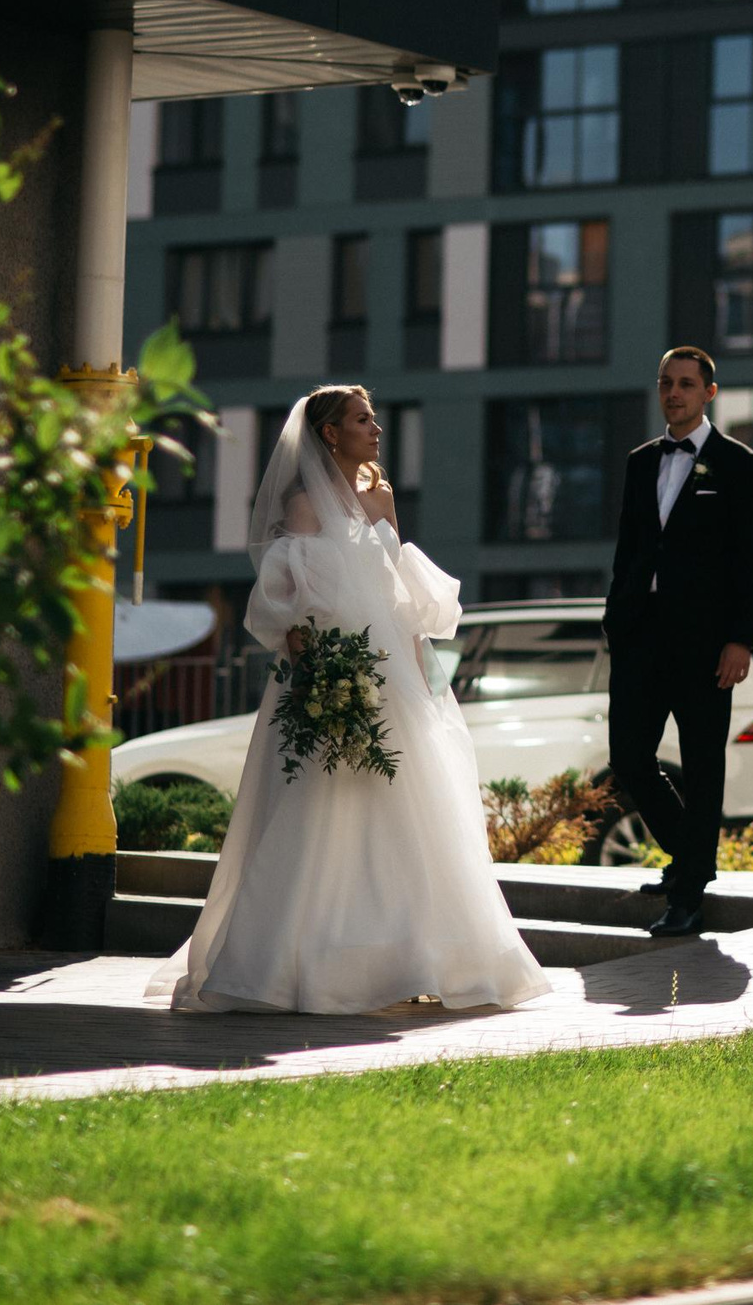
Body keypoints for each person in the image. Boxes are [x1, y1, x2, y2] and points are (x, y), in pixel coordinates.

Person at [151, 385, 550, 1014]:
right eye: (363, 420)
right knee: (323, 809)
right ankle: (297, 964)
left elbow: (395, 583)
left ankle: (419, 958)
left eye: (374, 418)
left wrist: (419, 664)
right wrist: (322, 680)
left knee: (412, 813)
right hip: (331, 672)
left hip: (394, 670)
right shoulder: (305, 507)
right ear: (330, 433)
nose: (377, 429)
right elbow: (293, 606)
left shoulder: (383, 494)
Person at [601, 346, 753, 938]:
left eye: (686, 384)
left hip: (706, 645)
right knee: (628, 757)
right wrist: (615, 621)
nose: (673, 393)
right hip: (640, 636)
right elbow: (629, 550)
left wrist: (741, 641)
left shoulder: (740, 465)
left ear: (709, 394)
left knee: (702, 765)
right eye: (666, 382)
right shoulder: (641, 461)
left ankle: (689, 891)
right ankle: (692, 858)